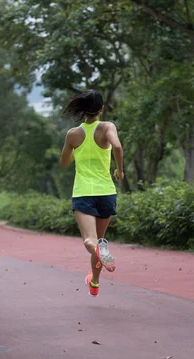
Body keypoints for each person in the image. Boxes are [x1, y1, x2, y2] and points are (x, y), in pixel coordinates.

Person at [60, 89, 124, 297]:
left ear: (83, 110)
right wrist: (120, 170)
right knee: (100, 241)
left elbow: (64, 163)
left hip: (84, 193)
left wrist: (75, 153)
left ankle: (98, 254)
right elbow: (117, 146)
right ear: (101, 109)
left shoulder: (73, 134)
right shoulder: (107, 127)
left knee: (90, 240)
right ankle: (94, 283)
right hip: (106, 192)